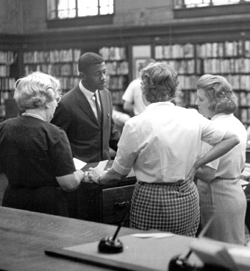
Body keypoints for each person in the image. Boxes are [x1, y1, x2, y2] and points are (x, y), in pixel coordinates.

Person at [88, 63, 239, 237]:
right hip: (187, 197)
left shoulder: (136, 124)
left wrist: (98, 179)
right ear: (174, 91)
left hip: (152, 199)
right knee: (182, 251)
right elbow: (232, 138)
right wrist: (197, 164)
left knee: (149, 255)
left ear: (144, 91)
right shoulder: (192, 116)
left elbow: (118, 173)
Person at [0, 72, 85, 216]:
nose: (57, 103)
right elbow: (68, 184)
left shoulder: (2, 128)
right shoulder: (54, 133)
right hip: (47, 206)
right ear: (46, 101)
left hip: (13, 203)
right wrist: (81, 173)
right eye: (57, 99)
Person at [195, 74, 248, 245]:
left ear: (213, 102)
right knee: (232, 250)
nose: (197, 103)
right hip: (234, 193)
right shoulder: (236, 123)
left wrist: (188, 163)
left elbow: (207, 173)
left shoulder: (215, 128)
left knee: (218, 254)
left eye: (200, 99)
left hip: (217, 197)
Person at [51, 52, 119, 163]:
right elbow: (58, 142)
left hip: (105, 166)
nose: (103, 78)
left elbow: (110, 131)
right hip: (80, 171)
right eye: (97, 74)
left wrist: (129, 155)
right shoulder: (66, 103)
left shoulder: (106, 94)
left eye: (104, 72)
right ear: (82, 76)